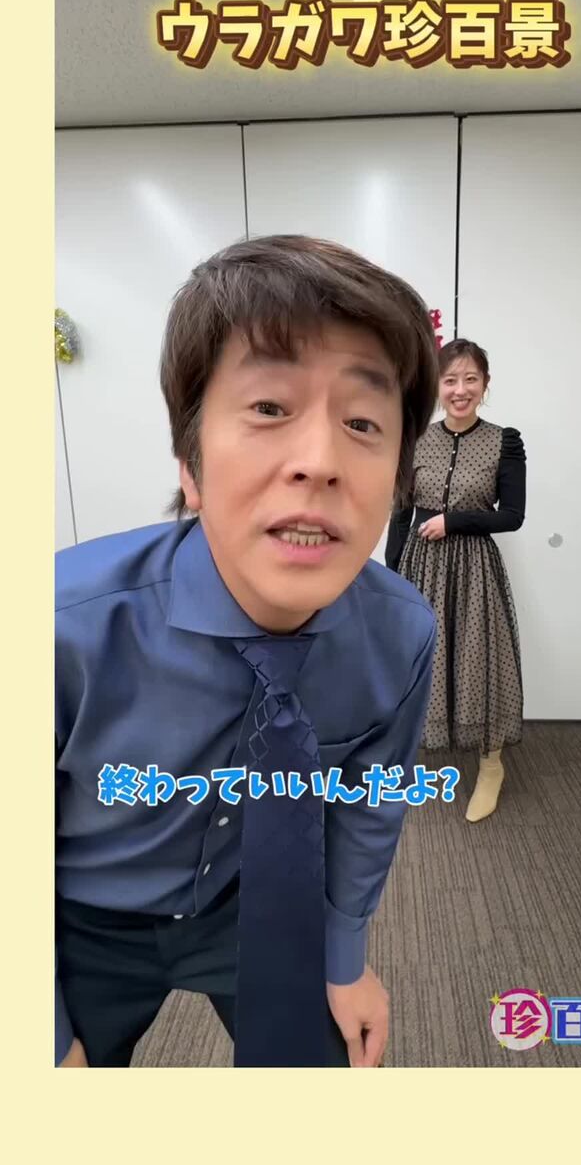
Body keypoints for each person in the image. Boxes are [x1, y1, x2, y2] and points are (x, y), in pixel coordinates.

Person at [55, 235, 440, 1069]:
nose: (319, 463)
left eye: (363, 423)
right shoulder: (61, 625)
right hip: (77, 915)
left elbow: (368, 806)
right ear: (191, 465)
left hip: (256, 904)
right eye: (269, 408)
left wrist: (345, 959)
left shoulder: (401, 633)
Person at [385, 338, 526, 821]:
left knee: (479, 658)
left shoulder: (504, 441)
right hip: (420, 565)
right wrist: (392, 579)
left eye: (470, 379)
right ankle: (411, 753)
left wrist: (454, 521)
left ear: (485, 385)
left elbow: (512, 516)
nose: (460, 389)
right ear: (437, 387)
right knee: (422, 662)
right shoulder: (416, 439)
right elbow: (401, 513)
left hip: (473, 569)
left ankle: (491, 765)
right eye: (450, 380)